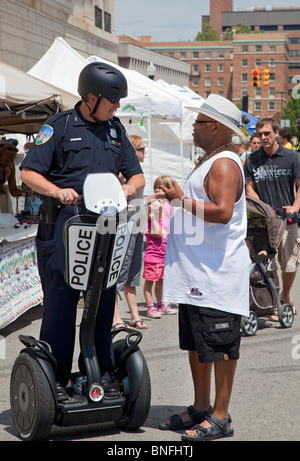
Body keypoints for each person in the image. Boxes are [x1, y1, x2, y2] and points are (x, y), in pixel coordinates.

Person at [20, 61, 145, 400]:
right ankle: (56, 378)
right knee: (62, 299)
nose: (117, 107)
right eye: (113, 101)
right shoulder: (58, 126)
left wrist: (130, 188)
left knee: (103, 296)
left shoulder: (116, 131)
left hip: (104, 224)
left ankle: (100, 370)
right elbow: (28, 173)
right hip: (65, 223)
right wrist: (56, 191)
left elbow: (136, 175)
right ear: (92, 98)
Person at [159, 94, 250, 441]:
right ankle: (201, 406)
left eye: (198, 122)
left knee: (222, 343)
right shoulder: (212, 159)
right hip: (196, 274)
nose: (193, 127)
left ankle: (221, 415)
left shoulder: (225, 163)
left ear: (215, 127)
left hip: (216, 274)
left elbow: (223, 211)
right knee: (198, 344)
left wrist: (180, 199)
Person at [244, 118, 300, 319]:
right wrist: (262, 207)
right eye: (260, 134)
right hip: (265, 221)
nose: (263, 137)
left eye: (267, 133)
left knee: (289, 263)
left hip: (288, 219)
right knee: (269, 263)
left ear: (276, 133)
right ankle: (277, 300)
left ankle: (285, 295)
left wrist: (295, 206)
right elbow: (249, 187)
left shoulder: (292, 156)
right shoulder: (252, 159)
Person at [112, 135, 148, 330]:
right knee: (119, 273)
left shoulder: (137, 174)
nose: (144, 152)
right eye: (141, 148)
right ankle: (115, 316)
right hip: (124, 226)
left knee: (133, 275)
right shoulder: (122, 175)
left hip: (137, 226)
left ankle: (134, 315)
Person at [143, 175, 176, 319]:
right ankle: (151, 307)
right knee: (150, 281)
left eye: (161, 187)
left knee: (162, 280)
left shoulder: (171, 205)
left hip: (165, 249)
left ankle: (161, 304)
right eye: (156, 187)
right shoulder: (153, 204)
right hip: (154, 251)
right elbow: (153, 231)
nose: (158, 190)